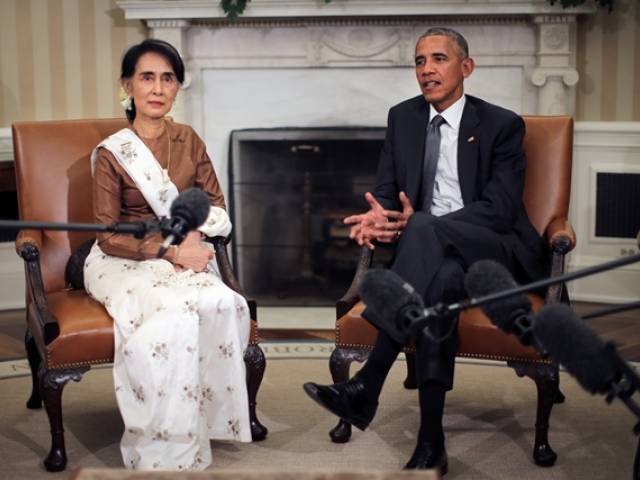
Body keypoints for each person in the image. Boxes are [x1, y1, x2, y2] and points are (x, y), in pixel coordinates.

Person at [303, 27, 548, 474]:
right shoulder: (403, 118)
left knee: (425, 232)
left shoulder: (501, 124)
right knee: (441, 286)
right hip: (432, 258)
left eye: (439, 59)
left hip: (491, 245)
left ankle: (367, 385)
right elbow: (386, 190)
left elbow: (499, 210)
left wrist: (420, 225)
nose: (427, 70)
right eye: (419, 61)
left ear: (466, 67)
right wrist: (380, 218)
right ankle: (430, 438)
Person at [83, 39, 252, 470]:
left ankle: (205, 422)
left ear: (177, 87)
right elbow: (106, 235)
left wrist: (193, 238)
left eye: (168, 78)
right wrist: (171, 252)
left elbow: (216, 204)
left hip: (184, 249)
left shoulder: (188, 139)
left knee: (222, 302)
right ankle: (162, 443)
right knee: (173, 314)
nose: (158, 88)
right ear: (127, 86)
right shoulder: (112, 152)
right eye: (147, 77)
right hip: (123, 259)